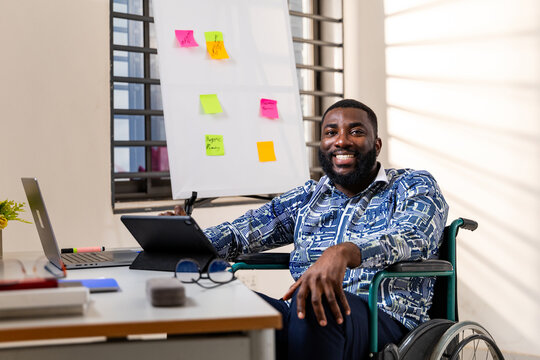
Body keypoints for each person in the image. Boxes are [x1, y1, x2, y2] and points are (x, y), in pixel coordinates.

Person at [166, 99, 448, 359]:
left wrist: (344, 252)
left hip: (384, 319)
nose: (341, 141)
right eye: (330, 132)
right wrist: (184, 236)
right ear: (321, 144)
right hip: (302, 314)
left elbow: (414, 236)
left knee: (317, 299)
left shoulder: (412, 185)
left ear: (376, 145)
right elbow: (244, 232)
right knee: (201, 299)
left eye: (356, 132)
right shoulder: (307, 197)